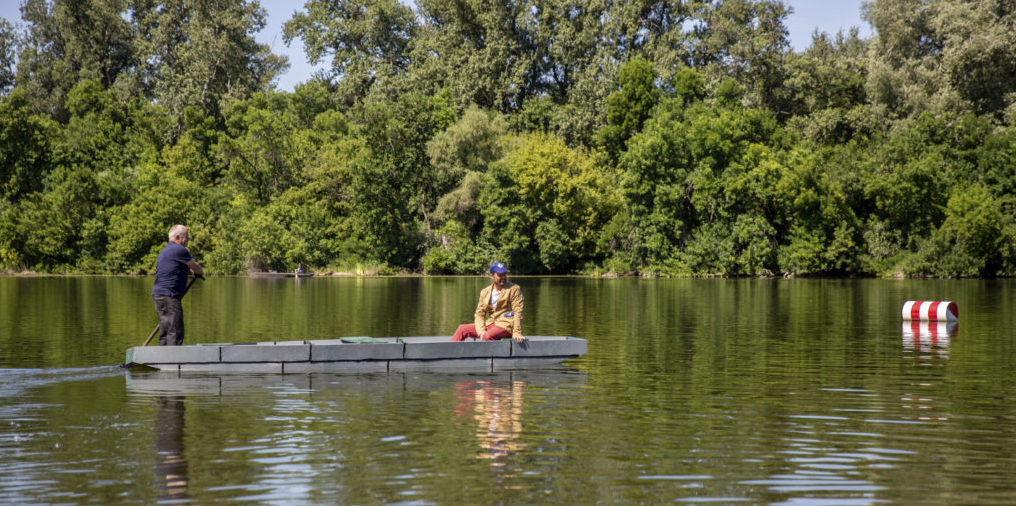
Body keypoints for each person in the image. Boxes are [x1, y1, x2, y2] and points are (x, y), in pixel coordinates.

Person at [152, 224, 203, 346]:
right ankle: (173, 361)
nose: (188, 240)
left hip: (157, 295)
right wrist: (198, 271)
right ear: (178, 237)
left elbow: (178, 266)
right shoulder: (179, 250)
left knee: (165, 328)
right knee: (175, 330)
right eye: (186, 237)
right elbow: (196, 267)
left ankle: (161, 358)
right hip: (170, 295)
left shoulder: (165, 250)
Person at [451, 262, 526, 343]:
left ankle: (491, 355)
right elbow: (479, 314)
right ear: (492, 276)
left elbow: (518, 312)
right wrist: (481, 332)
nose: (503, 277)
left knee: (487, 336)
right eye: (500, 275)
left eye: (504, 274)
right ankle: (449, 354)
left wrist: (517, 332)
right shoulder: (485, 292)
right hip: (491, 323)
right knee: (462, 329)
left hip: (506, 325)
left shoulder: (514, 289)